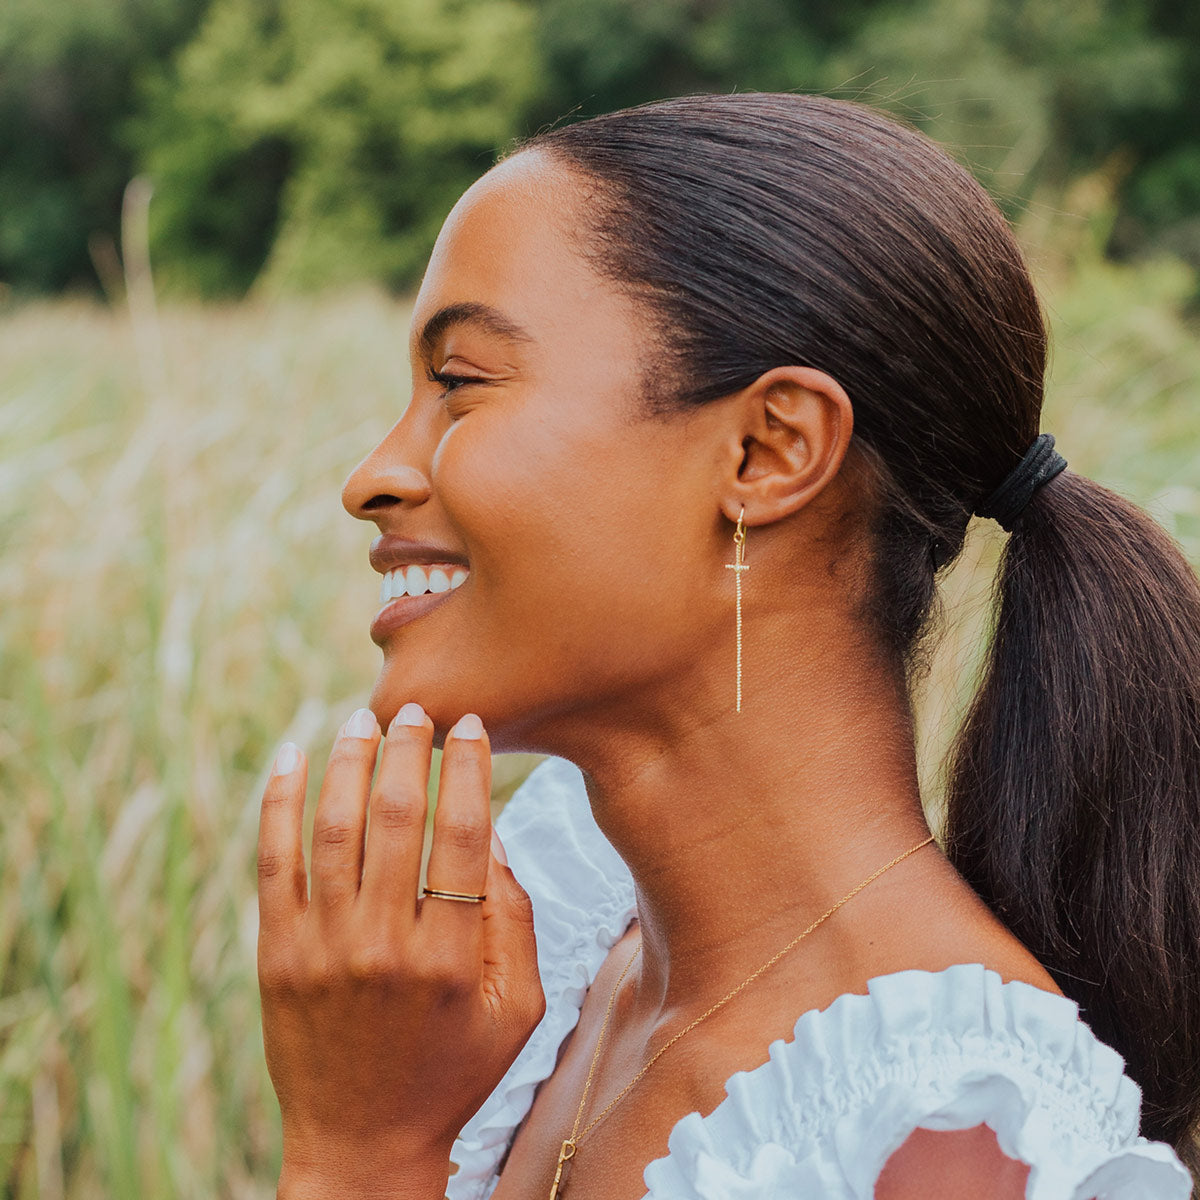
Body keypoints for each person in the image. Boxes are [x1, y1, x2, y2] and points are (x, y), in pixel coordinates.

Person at [253, 92, 1200, 1199]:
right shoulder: (548, 974)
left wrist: (364, 1158)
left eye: (460, 383)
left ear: (766, 452)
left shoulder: (947, 1138)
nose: (373, 476)